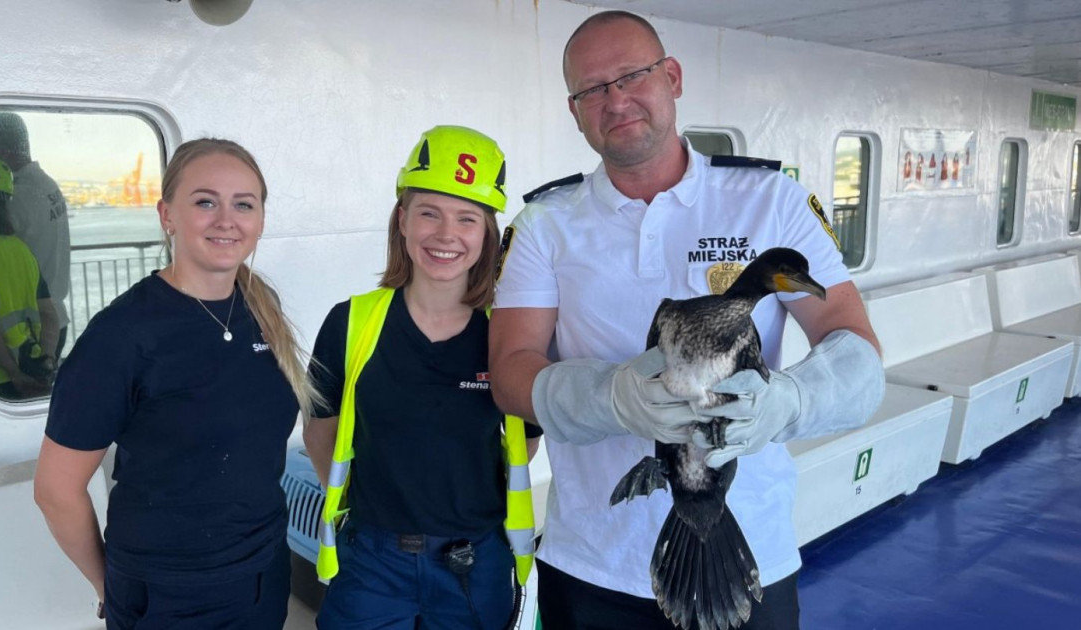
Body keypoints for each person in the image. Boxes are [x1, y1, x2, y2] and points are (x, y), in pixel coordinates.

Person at [489, 11, 885, 630]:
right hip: (592, 562)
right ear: (574, 110)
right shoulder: (545, 222)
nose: (615, 100)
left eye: (632, 76)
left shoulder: (771, 201)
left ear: (671, 77)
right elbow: (511, 372)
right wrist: (609, 398)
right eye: (592, 89)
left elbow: (854, 343)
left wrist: (788, 401)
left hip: (748, 550)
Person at [34, 138, 318, 628]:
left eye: (243, 205)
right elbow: (56, 490)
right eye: (205, 202)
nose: (226, 220)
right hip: (169, 590)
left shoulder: (258, 305)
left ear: (260, 220)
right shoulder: (122, 335)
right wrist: (111, 585)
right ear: (167, 215)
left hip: (263, 571)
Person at [304, 125, 542, 630]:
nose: (446, 235)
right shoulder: (349, 324)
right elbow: (320, 428)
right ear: (402, 220)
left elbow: (528, 442)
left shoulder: (508, 334)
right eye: (429, 212)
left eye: (467, 219)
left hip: (475, 566)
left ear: (487, 235)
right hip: (371, 562)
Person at [0, 111, 72, 357]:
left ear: (3, 151)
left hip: (31, 326)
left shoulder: (19, 197)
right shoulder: (45, 184)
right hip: (54, 316)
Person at [0, 155, 60, 401]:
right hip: (31, 368)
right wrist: (46, 362)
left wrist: (14, 373)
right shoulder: (22, 250)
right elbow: (50, 315)